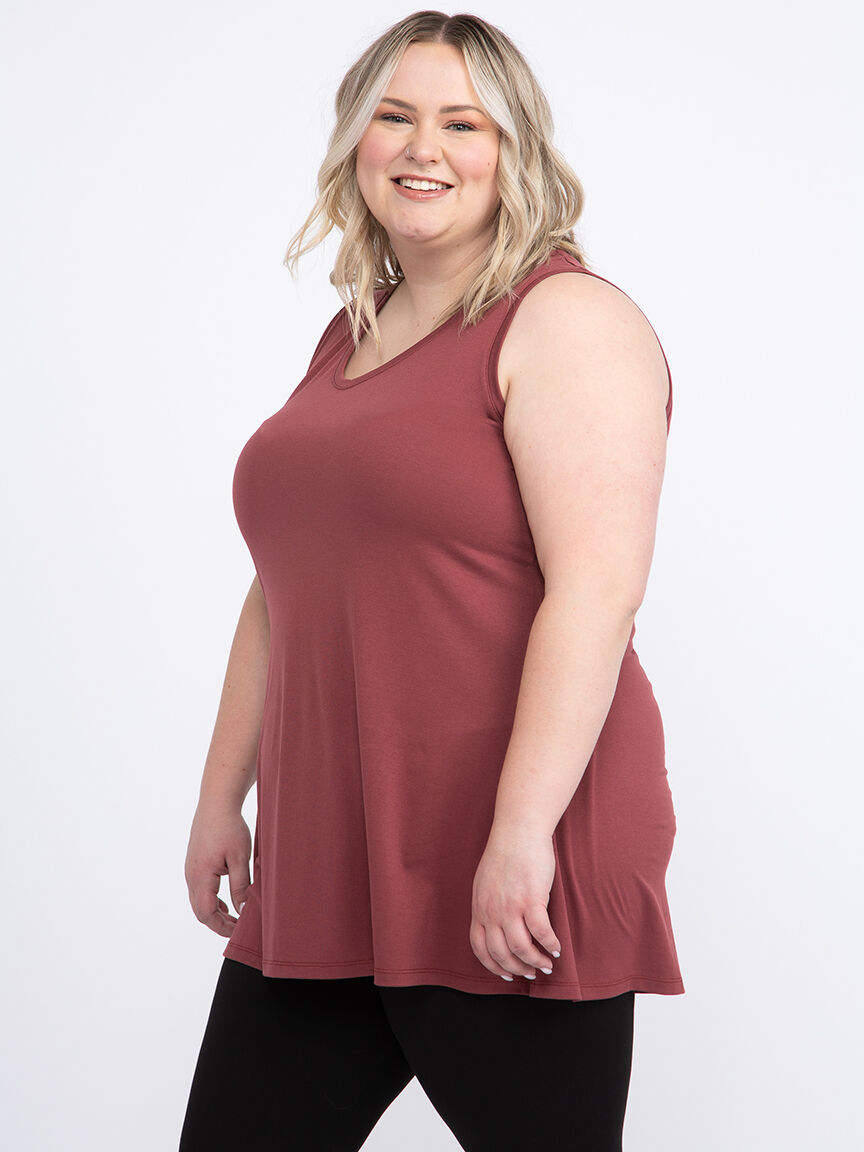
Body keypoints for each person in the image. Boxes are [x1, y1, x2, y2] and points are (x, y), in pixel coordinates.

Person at [179, 11, 684, 1151]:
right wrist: (222, 795)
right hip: (332, 843)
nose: (423, 148)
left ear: (516, 150)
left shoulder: (566, 318)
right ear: (354, 143)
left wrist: (521, 837)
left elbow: (597, 592)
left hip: (509, 834)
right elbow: (286, 580)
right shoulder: (350, 334)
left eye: (463, 123)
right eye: (394, 117)